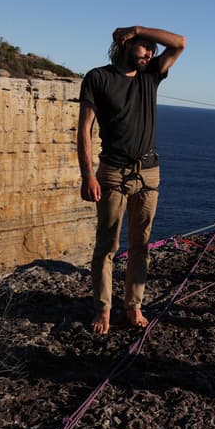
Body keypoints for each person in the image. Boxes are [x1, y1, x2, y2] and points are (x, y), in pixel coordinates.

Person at [77, 26, 186, 335]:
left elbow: (180, 43)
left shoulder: (150, 74)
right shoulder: (98, 78)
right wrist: (87, 174)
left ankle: (133, 306)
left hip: (148, 171)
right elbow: (84, 129)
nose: (150, 53)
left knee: (141, 245)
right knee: (107, 245)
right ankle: (103, 308)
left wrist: (138, 28)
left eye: (152, 49)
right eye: (143, 47)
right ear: (124, 46)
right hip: (112, 172)